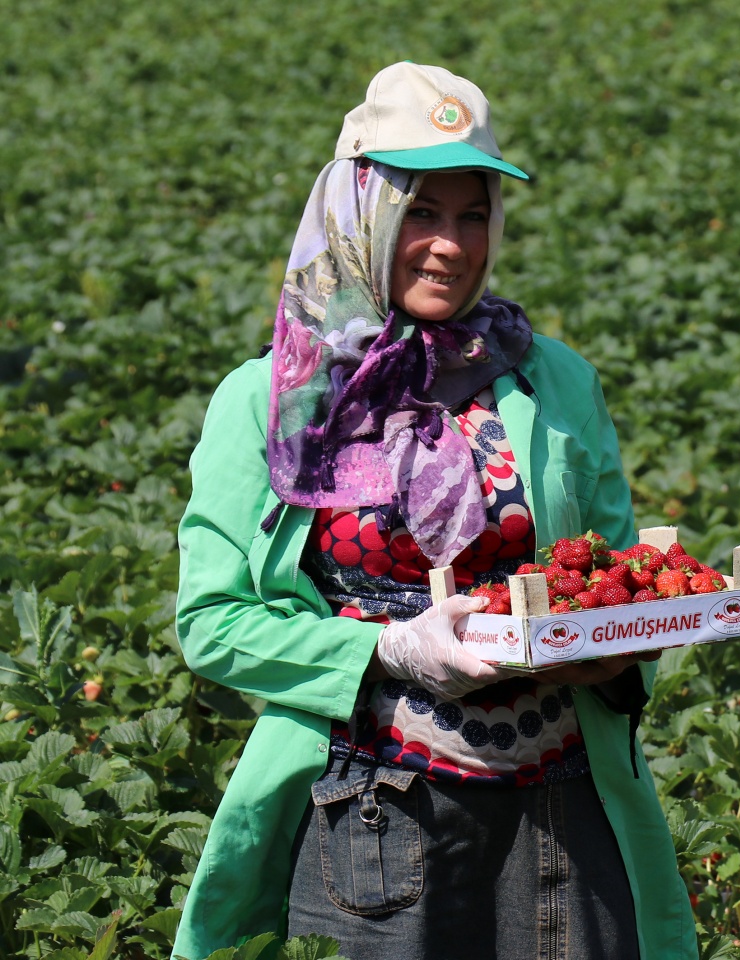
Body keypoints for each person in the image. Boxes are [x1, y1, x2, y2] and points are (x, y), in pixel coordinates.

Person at [172, 62, 697, 960]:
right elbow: (214, 623)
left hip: (563, 812)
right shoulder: (275, 400)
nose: (451, 245)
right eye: (420, 211)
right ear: (361, 211)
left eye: (472, 213)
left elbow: (613, 571)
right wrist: (387, 648)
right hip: (370, 815)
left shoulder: (554, 379)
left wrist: (610, 654)